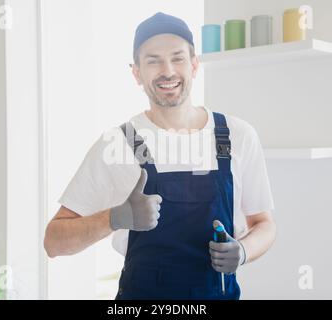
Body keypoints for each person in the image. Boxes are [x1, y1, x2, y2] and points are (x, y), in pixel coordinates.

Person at [44, 12, 276, 300]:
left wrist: (243, 251)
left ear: (194, 65)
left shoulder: (237, 135)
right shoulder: (117, 144)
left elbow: (263, 224)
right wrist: (115, 217)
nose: (167, 71)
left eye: (177, 58)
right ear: (137, 73)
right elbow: (54, 242)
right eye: (153, 60)